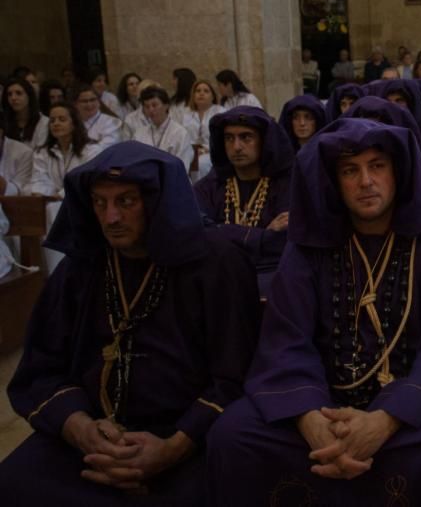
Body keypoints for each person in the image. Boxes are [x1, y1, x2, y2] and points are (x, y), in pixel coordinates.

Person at [205, 119, 421, 506]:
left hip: (410, 407)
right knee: (232, 435)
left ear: (397, 172)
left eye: (377, 166)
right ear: (334, 180)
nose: (366, 181)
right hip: (322, 401)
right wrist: (309, 418)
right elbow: (285, 336)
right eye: (350, 170)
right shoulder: (308, 244)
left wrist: (386, 419)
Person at [0, 142, 260, 506]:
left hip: (187, 435)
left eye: (126, 201)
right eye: (100, 202)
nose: (111, 218)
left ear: (157, 203)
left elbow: (235, 376)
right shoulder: (80, 268)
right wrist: (80, 429)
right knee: (13, 484)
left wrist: (173, 447)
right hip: (92, 435)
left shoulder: (217, 264)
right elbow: (40, 369)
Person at [194, 107, 293, 298]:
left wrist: (221, 229)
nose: (237, 146)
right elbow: (198, 230)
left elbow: (283, 241)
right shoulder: (212, 184)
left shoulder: (286, 182)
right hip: (219, 275)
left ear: (263, 141)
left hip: (270, 276)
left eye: (246, 137)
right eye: (229, 138)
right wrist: (262, 236)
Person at [27, 101, 101, 199]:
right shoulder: (42, 152)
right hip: (50, 201)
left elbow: (85, 181)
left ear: (74, 124)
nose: (56, 124)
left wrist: (60, 195)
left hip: (82, 201)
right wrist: (44, 194)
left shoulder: (92, 150)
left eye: (62, 119)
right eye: (52, 120)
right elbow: (40, 180)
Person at [131, 86, 194, 171]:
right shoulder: (139, 133)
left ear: (166, 105)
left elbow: (182, 166)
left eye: (154, 105)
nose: (151, 110)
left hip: (173, 179)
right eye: (147, 106)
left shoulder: (180, 133)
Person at [182, 80, 225, 182]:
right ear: (193, 95)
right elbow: (183, 136)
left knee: (201, 164)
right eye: (198, 91)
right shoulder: (186, 113)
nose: (201, 93)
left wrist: (207, 149)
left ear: (213, 96)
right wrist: (194, 150)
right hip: (191, 151)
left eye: (206, 91)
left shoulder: (220, 111)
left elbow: (222, 137)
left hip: (212, 152)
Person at [3, 77, 49, 150]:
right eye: (9, 94)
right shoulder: (4, 122)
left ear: (29, 96)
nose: (13, 98)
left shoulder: (44, 122)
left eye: (19, 93)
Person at [74, 85, 123, 151]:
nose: (89, 104)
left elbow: (106, 147)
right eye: (84, 101)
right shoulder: (72, 123)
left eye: (92, 100)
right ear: (76, 104)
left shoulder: (112, 121)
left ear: (99, 102)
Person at [0, 108, 33, 195]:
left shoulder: (24, 152)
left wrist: (3, 185)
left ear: (1, 131)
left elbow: (20, 188)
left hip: (14, 203)